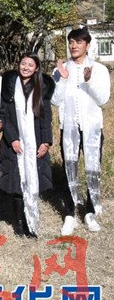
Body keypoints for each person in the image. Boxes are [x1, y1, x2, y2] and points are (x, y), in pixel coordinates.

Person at [52, 27, 111, 235]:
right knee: (70, 167)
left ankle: (90, 211)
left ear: (87, 45)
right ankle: (69, 213)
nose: (74, 46)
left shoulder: (99, 69)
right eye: (71, 42)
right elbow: (54, 100)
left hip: (92, 128)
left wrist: (89, 81)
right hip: (68, 128)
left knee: (93, 168)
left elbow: (103, 100)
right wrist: (63, 79)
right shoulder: (60, 69)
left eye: (78, 42)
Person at [0, 53, 54, 238]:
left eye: (30, 65)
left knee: (32, 180)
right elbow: (4, 115)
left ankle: (31, 222)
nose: (26, 67)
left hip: (34, 141)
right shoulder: (8, 86)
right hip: (14, 142)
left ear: (36, 68)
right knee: (16, 183)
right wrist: (13, 139)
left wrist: (46, 141)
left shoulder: (41, 87)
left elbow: (46, 117)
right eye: (23, 63)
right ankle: (20, 223)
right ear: (18, 64)